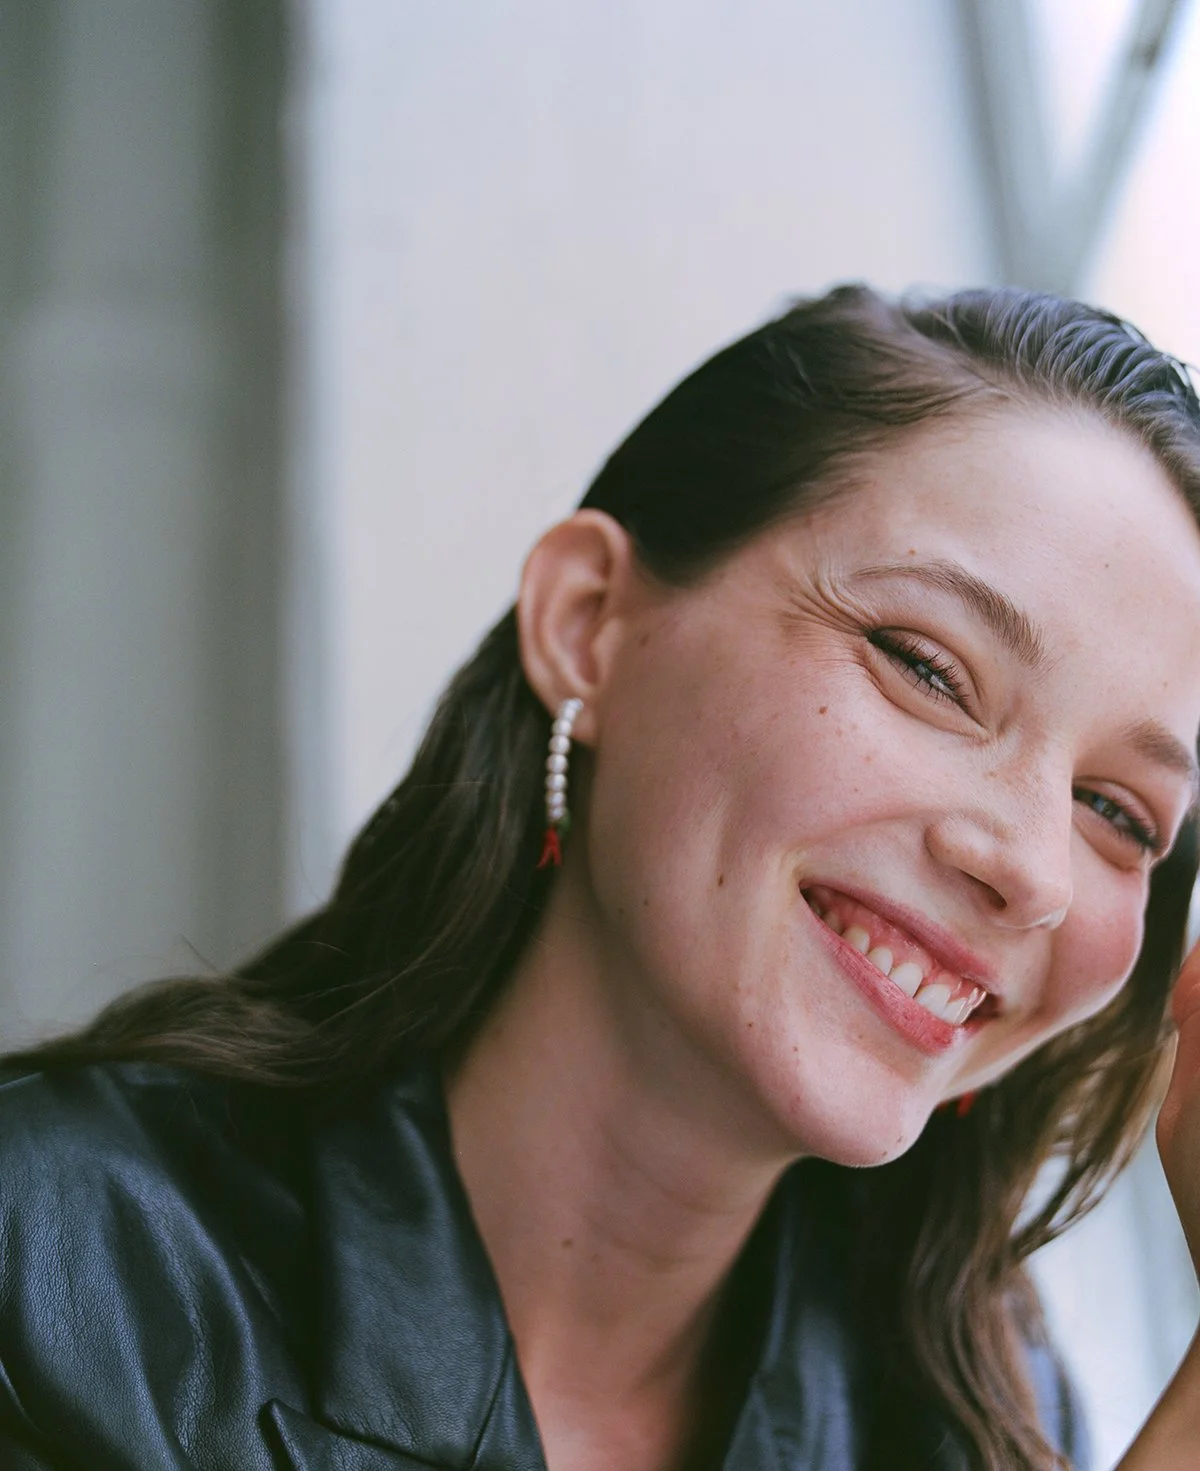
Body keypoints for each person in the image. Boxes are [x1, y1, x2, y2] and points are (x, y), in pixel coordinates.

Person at [4, 283, 1200, 1471]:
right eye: (927, 669)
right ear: (588, 624)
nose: (1032, 868)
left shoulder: (987, 1416)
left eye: (1116, 812)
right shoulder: (56, 1270)